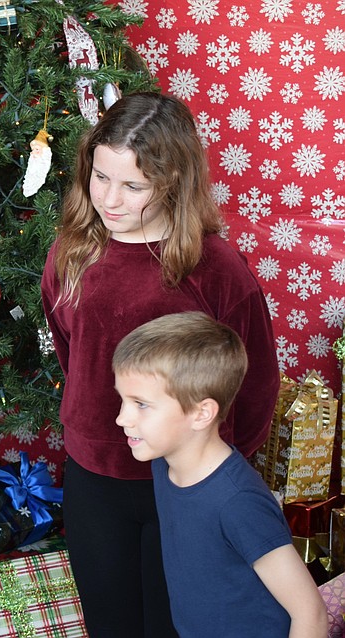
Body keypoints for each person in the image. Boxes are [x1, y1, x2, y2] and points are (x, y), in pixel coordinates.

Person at [40, 92, 280, 637]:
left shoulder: (214, 267)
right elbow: (71, 349)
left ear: (173, 182)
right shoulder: (71, 252)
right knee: (111, 623)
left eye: (133, 186)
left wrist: (210, 471)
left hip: (184, 481)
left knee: (174, 624)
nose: (110, 199)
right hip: (94, 476)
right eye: (100, 177)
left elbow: (257, 380)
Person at [112, 312, 327, 637]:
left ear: (201, 413)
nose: (121, 418)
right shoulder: (164, 465)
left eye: (140, 404)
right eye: (123, 400)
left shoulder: (237, 502)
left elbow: (310, 613)